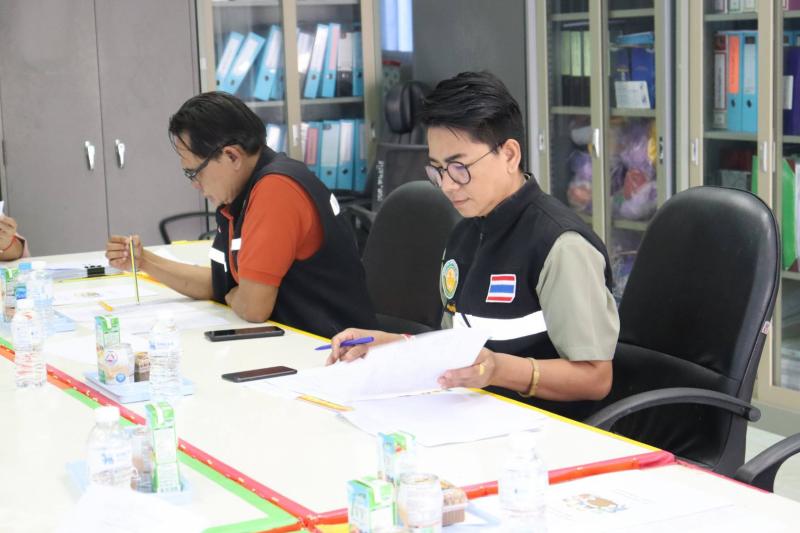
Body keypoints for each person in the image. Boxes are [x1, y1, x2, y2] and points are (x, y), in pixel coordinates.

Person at [327, 72, 619, 419]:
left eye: (459, 167)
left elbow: (596, 378)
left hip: (541, 428)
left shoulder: (560, 245)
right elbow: (455, 348)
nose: (447, 186)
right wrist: (389, 346)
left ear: (509, 155)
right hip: (470, 413)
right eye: (438, 170)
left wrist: (498, 370)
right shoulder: (465, 233)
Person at [106, 91, 377, 338]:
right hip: (295, 342)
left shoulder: (276, 190)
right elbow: (221, 285)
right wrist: (144, 261)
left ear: (232, 156)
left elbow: (253, 308)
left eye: (194, 172)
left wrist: (239, 295)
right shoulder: (241, 196)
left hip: (330, 350)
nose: (194, 184)